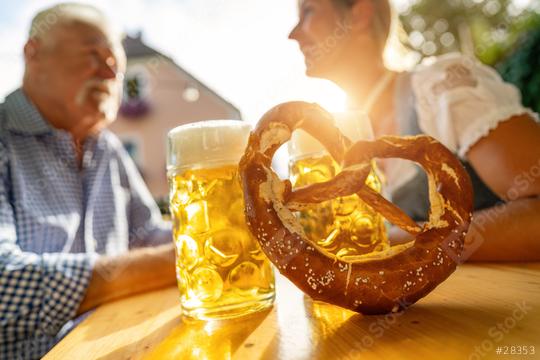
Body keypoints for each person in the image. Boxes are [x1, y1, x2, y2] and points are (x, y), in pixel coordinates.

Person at [288, 0, 540, 261]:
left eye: (308, 11)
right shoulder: (342, 140)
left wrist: (394, 240)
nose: (293, 34)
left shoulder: (441, 86)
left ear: (360, 13)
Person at [0, 4, 176, 358]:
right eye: (95, 54)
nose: (111, 71)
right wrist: (183, 258)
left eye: (118, 65)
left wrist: (224, 230)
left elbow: (146, 236)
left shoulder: (107, 148)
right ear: (33, 53)